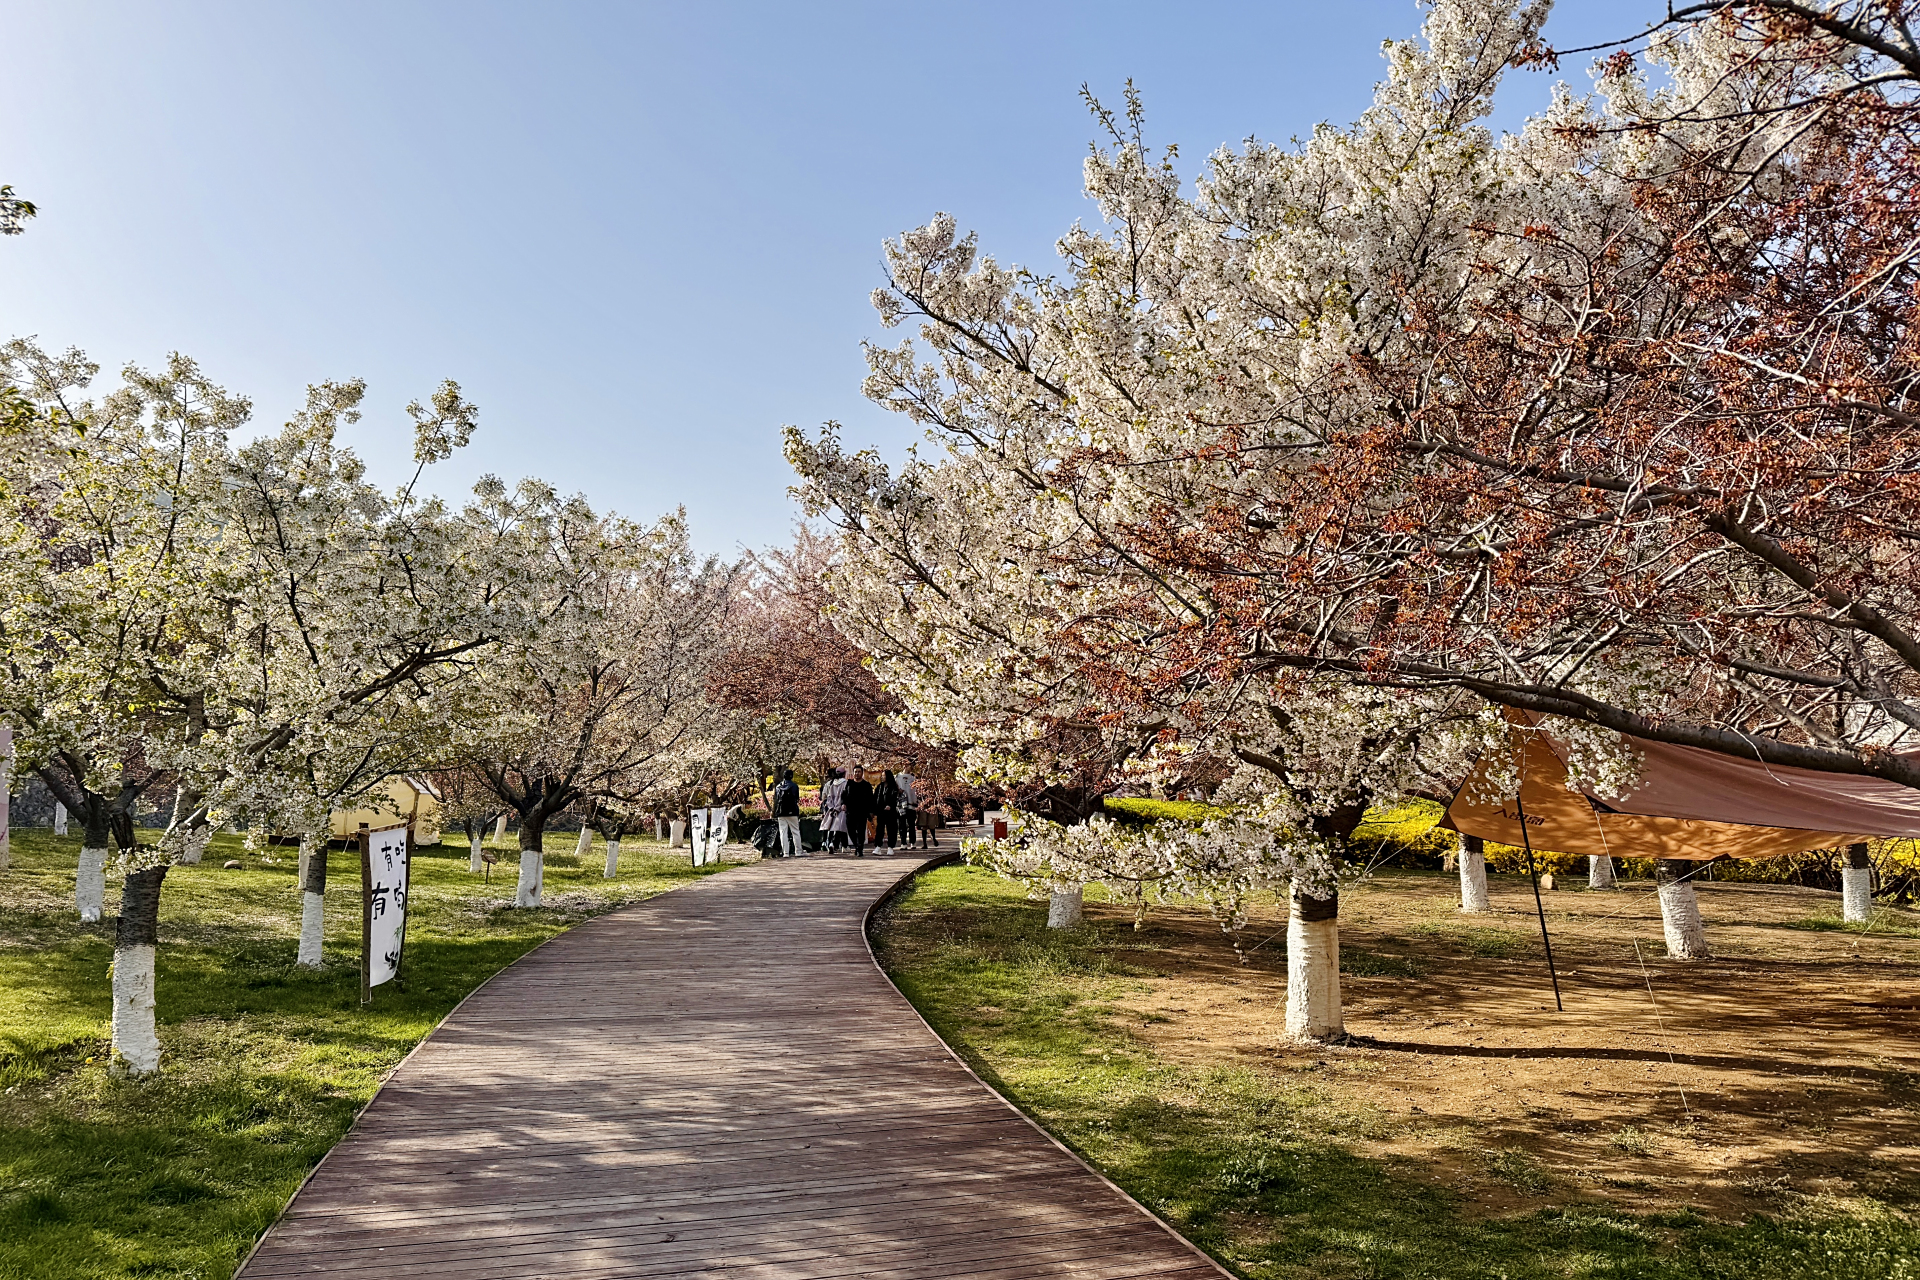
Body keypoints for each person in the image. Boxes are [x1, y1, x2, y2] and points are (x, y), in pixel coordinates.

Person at [840, 765, 874, 857]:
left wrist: (871, 811)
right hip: (850, 811)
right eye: (855, 772)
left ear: (862, 773)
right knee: (850, 830)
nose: (857, 773)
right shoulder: (849, 783)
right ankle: (857, 845)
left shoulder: (866, 785)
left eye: (859, 772)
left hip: (862, 812)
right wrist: (843, 803)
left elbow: (871, 799)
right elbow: (844, 795)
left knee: (861, 831)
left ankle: (860, 848)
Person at [771, 769, 803, 858]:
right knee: (795, 831)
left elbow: (777, 798)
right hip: (792, 811)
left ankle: (786, 853)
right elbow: (796, 798)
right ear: (791, 776)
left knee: (783, 832)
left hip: (781, 811)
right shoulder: (794, 786)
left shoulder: (778, 787)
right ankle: (798, 851)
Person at [874, 770, 902, 851]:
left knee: (891, 829)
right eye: (882, 775)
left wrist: (890, 805)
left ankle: (890, 847)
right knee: (880, 829)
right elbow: (875, 798)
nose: (882, 777)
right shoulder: (879, 787)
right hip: (881, 811)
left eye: (884, 775)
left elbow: (895, 798)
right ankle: (878, 846)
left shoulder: (893, 787)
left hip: (891, 812)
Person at [820, 768, 846, 850]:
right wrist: (838, 807)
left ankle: (828, 842)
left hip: (831, 808)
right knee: (839, 827)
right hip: (841, 809)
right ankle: (836, 844)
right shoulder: (845, 783)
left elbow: (827, 797)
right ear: (844, 774)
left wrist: (831, 808)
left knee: (830, 826)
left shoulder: (831, 784)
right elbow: (844, 797)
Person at [895, 768, 918, 847]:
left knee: (911, 824)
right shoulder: (897, 777)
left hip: (912, 803)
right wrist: (898, 791)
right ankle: (903, 842)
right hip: (901, 804)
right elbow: (894, 789)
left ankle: (913, 842)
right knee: (902, 824)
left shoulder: (913, 777)